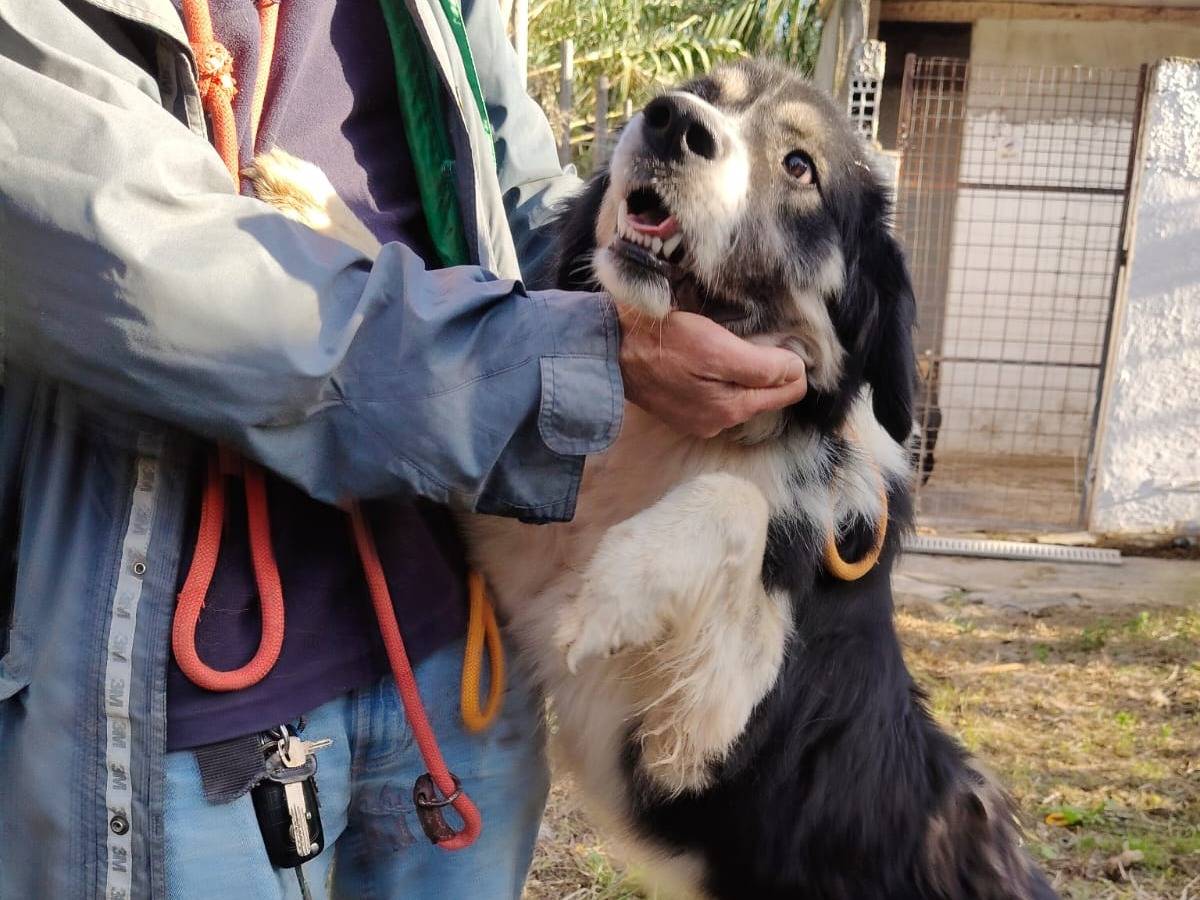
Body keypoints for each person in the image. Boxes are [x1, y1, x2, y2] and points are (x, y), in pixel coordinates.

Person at [0, 0, 808, 896]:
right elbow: (134, 263)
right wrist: (575, 359)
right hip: (191, 703)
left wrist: (691, 299)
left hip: (461, 667)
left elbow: (528, 204)